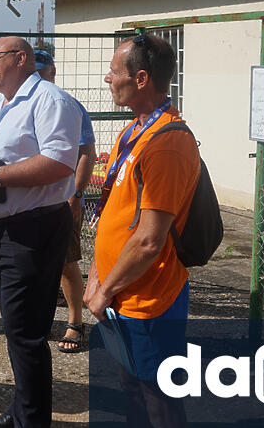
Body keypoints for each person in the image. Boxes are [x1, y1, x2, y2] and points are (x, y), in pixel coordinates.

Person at [0, 36, 81, 428]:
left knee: (26, 334)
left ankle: (30, 422)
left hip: (32, 228)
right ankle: (21, 414)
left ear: (21, 58)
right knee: (18, 330)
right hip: (2, 227)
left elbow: (60, 162)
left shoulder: (50, 100)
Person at [83, 34, 199, 428]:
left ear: (142, 78)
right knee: (132, 390)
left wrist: (104, 288)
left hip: (150, 299)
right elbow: (113, 212)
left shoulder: (166, 143)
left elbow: (150, 239)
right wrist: (97, 277)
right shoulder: (135, 131)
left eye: (115, 72)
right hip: (124, 292)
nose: (107, 79)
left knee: (159, 399)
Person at [35, 50, 97, 353]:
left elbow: (87, 153)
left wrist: (76, 193)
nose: (36, 75)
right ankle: (40, 317)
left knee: (66, 262)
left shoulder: (67, 105)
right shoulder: (23, 104)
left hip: (62, 197)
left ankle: (75, 322)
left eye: (41, 70)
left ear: (53, 71)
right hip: (31, 199)